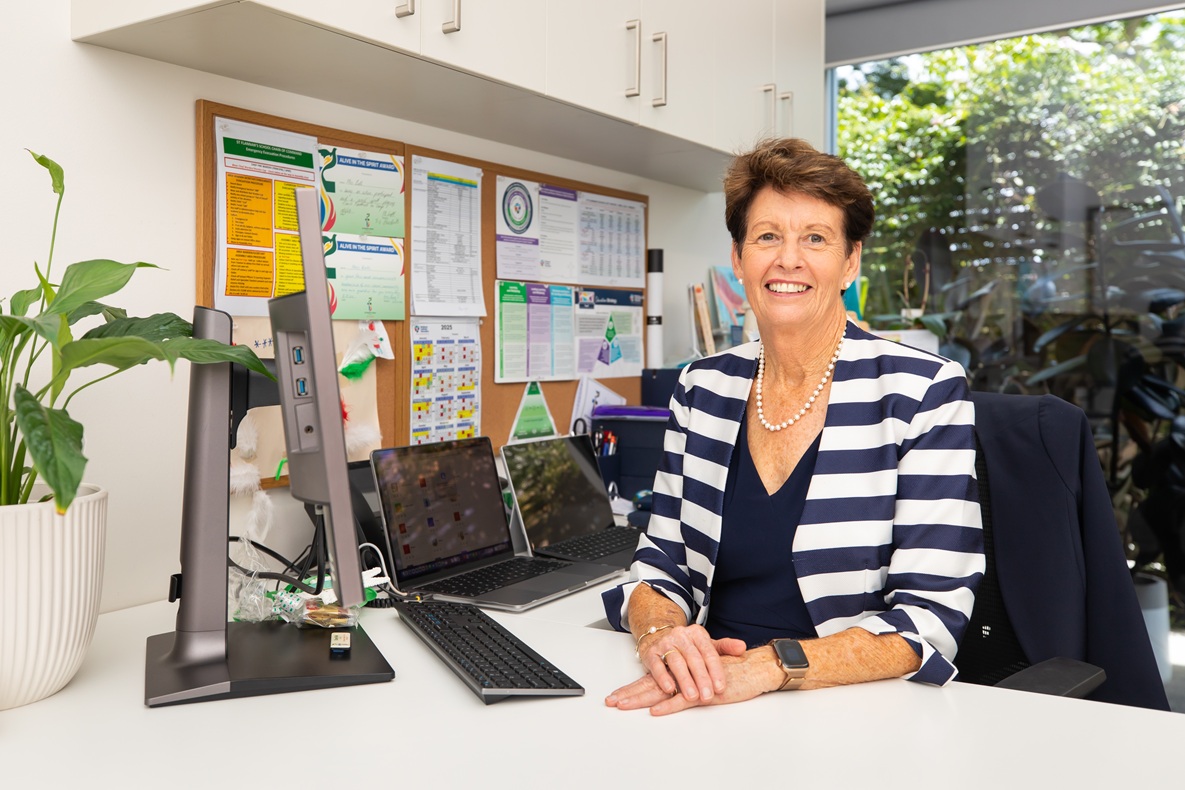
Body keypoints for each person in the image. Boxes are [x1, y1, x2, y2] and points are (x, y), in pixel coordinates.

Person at [603, 137, 984, 716]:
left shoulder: (920, 390)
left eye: (815, 238)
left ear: (850, 260)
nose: (788, 259)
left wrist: (768, 666)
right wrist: (662, 638)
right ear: (738, 258)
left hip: (847, 707)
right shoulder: (702, 387)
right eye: (767, 236)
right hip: (708, 693)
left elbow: (928, 619)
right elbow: (661, 563)